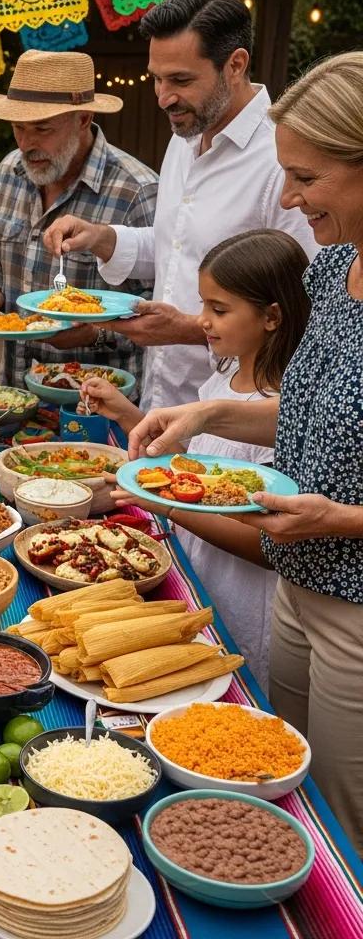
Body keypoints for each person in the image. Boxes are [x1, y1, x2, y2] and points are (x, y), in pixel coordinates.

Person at [125, 52, 363, 853]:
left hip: (354, 609)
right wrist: (209, 412)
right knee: (273, 790)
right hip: (298, 588)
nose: (288, 197)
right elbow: (312, 414)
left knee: (341, 820)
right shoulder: (333, 270)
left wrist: (341, 518)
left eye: (305, 177)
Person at [44, 0, 317, 410]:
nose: (163, 96)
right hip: (160, 397)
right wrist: (103, 237)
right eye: (156, 77)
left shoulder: (280, 159)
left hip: (239, 416)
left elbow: (301, 309)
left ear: (235, 65)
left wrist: (189, 327)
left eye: (181, 80)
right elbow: (175, 246)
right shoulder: (185, 136)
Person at [82, 230, 310, 683]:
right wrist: (129, 415)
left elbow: (265, 544)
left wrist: (161, 504)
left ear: (272, 316)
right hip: (196, 573)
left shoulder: (286, 406)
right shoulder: (224, 379)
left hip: (243, 601)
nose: (202, 321)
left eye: (219, 310)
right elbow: (199, 470)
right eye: (203, 304)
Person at [0, 51, 157, 393]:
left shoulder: (138, 190)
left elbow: (159, 308)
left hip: (98, 405)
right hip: (12, 394)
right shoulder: (9, 171)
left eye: (42, 128)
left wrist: (98, 332)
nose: (27, 143)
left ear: (83, 118)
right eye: (18, 128)